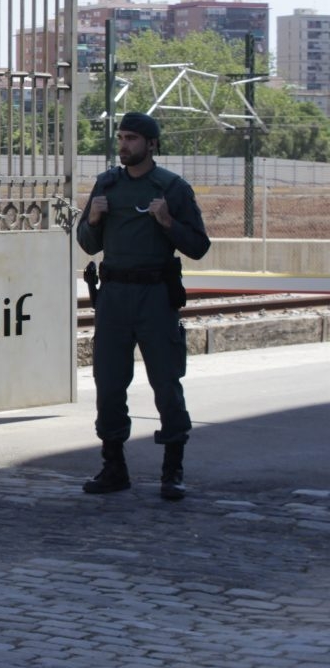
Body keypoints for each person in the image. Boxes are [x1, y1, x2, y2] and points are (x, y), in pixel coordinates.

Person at [76, 111, 210, 501]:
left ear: (151, 144)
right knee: (109, 384)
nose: (124, 145)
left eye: (132, 139)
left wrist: (168, 222)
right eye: (120, 138)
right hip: (114, 295)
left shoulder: (171, 187)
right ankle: (113, 466)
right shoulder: (107, 183)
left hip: (155, 296)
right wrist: (95, 218)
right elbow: (87, 243)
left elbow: (199, 246)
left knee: (166, 383)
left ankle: (172, 469)